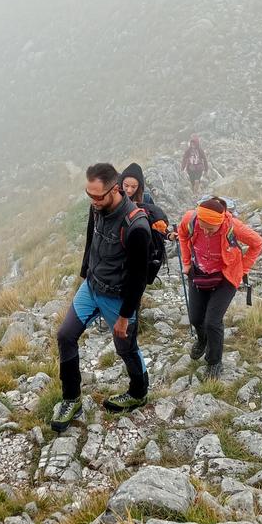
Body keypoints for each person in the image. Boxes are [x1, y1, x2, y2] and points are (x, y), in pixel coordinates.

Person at [54, 163, 151, 431]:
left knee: (126, 348)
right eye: (89, 195)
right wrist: (84, 274)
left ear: (115, 189)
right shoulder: (96, 208)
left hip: (118, 298)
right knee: (65, 335)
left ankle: (138, 392)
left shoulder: (136, 226)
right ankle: (71, 399)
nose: (93, 201)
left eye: (98, 196)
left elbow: (138, 279)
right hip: (92, 287)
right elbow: (91, 242)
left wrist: (124, 317)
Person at [177, 197, 262, 380]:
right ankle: (202, 340)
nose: (206, 232)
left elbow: (257, 243)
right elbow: (182, 234)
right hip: (199, 274)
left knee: (212, 322)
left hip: (225, 278)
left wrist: (242, 269)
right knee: (195, 318)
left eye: (211, 229)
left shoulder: (233, 226)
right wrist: (186, 262)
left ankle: (214, 362)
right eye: (203, 227)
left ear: (221, 222)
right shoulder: (190, 219)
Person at [119, 161, 170, 281]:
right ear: (121, 183)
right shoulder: (115, 198)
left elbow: (154, 220)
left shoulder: (145, 198)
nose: (129, 190)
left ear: (139, 187)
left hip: (140, 245)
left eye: (133, 187)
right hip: (119, 245)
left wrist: (168, 234)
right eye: (126, 186)